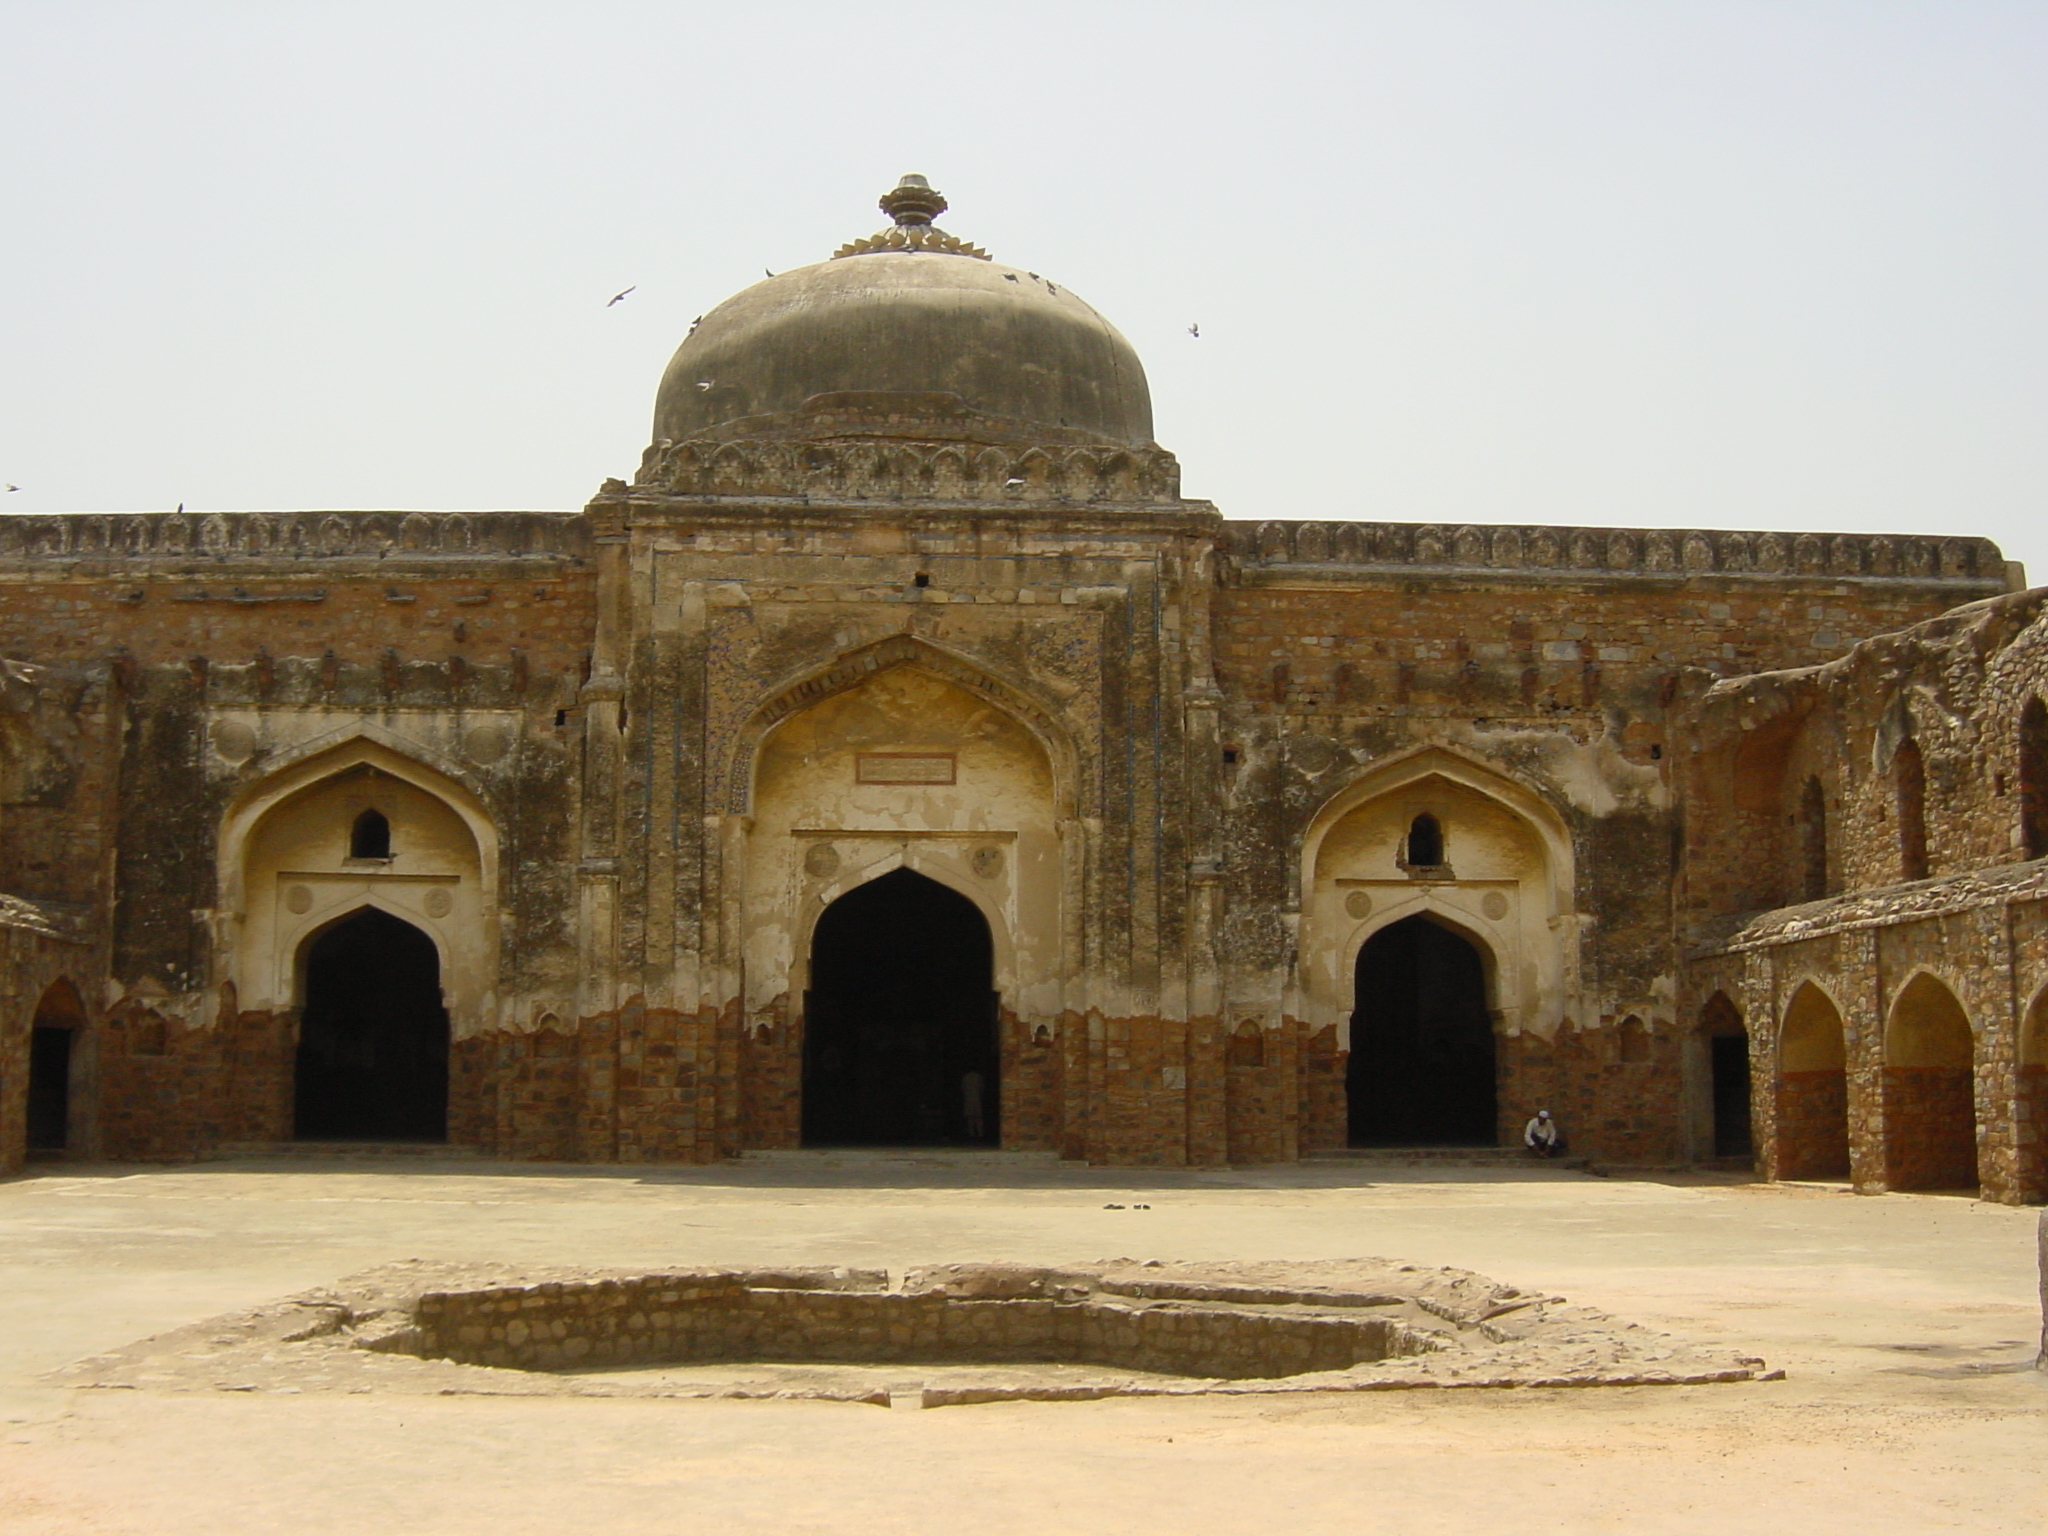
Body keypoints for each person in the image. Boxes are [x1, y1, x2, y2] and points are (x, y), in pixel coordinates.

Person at [961, 1069, 986, 1141]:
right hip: (977, 1098)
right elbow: (982, 1088)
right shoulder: (978, 1077)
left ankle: (972, 1133)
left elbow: (963, 1088)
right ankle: (980, 1133)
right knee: (978, 1117)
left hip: (968, 1098)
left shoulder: (966, 1077)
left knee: (970, 1117)